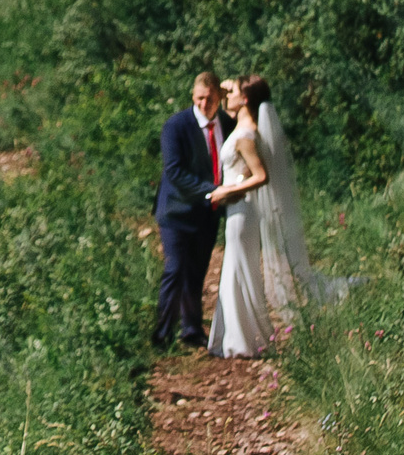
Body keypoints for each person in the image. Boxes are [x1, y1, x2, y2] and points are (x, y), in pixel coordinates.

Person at [206, 75, 358, 358]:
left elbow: (261, 176)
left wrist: (227, 190)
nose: (227, 95)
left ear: (246, 99)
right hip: (237, 209)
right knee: (235, 271)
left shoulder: (246, 134)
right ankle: (237, 337)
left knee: (240, 271)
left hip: (242, 209)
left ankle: (244, 340)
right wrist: (226, 87)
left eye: (233, 91)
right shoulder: (243, 128)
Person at [152, 71, 230, 349]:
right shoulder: (176, 126)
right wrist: (212, 190)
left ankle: (192, 330)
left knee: (197, 272)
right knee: (175, 270)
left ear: (219, 97)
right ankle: (162, 335)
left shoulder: (227, 124)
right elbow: (174, 172)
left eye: (209, 98)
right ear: (193, 96)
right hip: (177, 211)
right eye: (199, 98)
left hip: (207, 213)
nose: (204, 104)